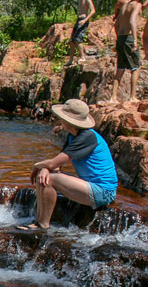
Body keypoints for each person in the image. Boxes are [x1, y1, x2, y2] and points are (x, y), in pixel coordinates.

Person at [17, 99, 118, 232]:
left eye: (61, 118)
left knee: (49, 179)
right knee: (47, 175)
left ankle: (42, 224)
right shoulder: (73, 136)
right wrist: (45, 168)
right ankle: (38, 221)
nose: (60, 120)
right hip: (92, 187)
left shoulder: (87, 137)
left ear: (68, 121)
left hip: (103, 192)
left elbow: (53, 163)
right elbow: (57, 165)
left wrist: (37, 166)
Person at [111, 0, 144, 102]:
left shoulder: (124, 6)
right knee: (136, 67)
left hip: (120, 38)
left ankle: (113, 97)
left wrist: (118, 37)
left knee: (120, 68)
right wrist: (135, 40)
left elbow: (116, 24)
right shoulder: (137, 4)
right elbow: (132, 21)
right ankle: (132, 97)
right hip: (129, 38)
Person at [65, 0, 96, 66]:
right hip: (79, 20)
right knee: (72, 40)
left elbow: (93, 11)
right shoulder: (79, 0)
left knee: (78, 39)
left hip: (83, 20)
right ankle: (71, 60)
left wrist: (85, 20)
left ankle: (82, 57)